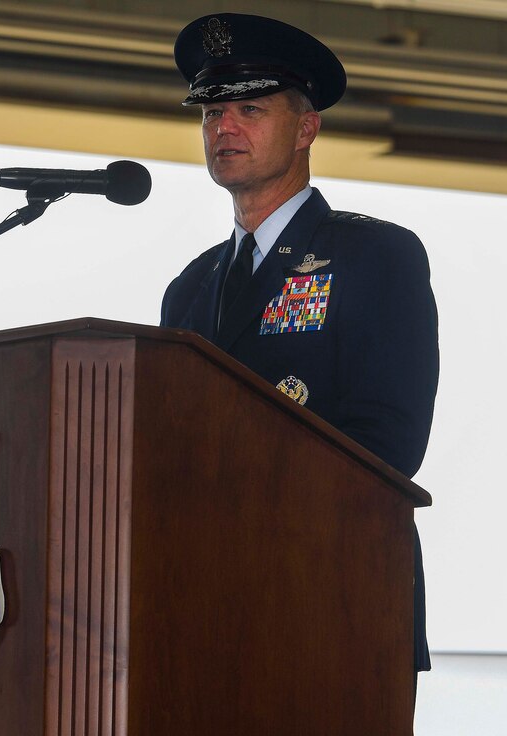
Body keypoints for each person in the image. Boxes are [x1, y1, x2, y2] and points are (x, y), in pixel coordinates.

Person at [160, 13, 439, 683]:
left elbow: (387, 442)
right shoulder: (189, 289)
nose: (223, 127)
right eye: (212, 113)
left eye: (250, 108)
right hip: (206, 609)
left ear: (306, 127)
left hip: (334, 589)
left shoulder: (373, 254)